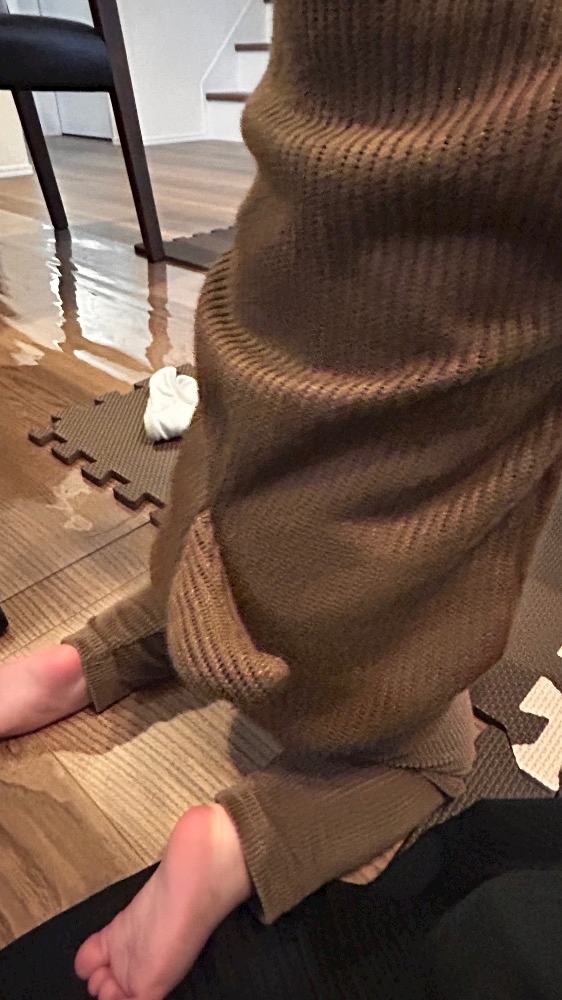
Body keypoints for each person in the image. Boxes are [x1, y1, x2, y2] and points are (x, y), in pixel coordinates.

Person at [3, 0, 562, 998]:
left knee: (302, 287)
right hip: (350, 618)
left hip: (216, 506)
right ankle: (235, 839)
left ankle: (84, 658)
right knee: (442, 752)